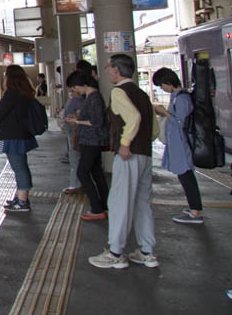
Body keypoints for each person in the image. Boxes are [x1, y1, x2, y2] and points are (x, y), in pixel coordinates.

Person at [89, 54, 160, 269]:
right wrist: (141, 144)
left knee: (120, 202)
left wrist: (126, 142)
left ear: (117, 70)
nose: (108, 72)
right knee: (142, 203)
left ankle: (115, 253)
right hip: (145, 154)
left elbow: (134, 118)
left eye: (109, 68)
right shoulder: (141, 93)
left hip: (127, 155)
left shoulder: (119, 91)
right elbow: (154, 129)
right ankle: (147, 252)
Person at [152, 67, 204, 224]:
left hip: (182, 144)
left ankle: (195, 212)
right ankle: (194, 208)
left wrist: (164, 112)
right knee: (185, 176)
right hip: (179, 144)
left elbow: (181, 123)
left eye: (162, 85)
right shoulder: (178, 97)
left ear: (168, 82)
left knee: (186, 176)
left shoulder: (182, 99)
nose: (162, 89)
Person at [65, 70, 110, 220]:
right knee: (96, 172)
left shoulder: (94, 97)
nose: (74, 91)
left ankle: (97, 209)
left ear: (82, 84)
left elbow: (97, 121)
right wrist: (77, 118)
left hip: (92, 140)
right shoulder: (91, 96)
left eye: (74, 87)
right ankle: (105, 206)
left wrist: (76, 121)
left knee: (82, 173)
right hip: (91, 140)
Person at [0, 64, 38, 213]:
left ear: (9, 77)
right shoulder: (24, 93)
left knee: (19, 168)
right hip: (21, 136)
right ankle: (21, 197)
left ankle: (22, 201)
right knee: (20, 166)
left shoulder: (11, 94)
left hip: (12, 138)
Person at [60, 81, 84, 195]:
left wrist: (74, 128)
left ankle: (76, 185)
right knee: (74, 157)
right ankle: (76, 183)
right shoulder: (74, 100)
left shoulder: (77, 101)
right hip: (72, 131)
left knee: (75, 158)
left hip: (74, 132)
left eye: (72, 89)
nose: (70, 92)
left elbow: (78, 117)